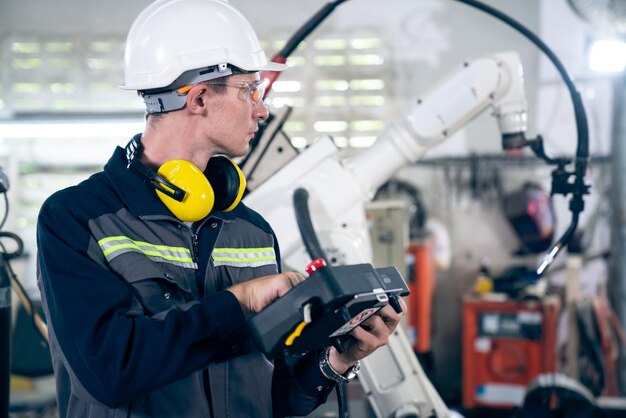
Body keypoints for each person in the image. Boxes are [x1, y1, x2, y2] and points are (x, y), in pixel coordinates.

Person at [36, 0, 406, 417]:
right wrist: (239, 300)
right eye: (249, 89)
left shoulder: (251, 230)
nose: (262, 109)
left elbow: (273, 393)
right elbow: (108, 373)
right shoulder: (78, 219)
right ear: (198, 98)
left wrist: (337, 359)